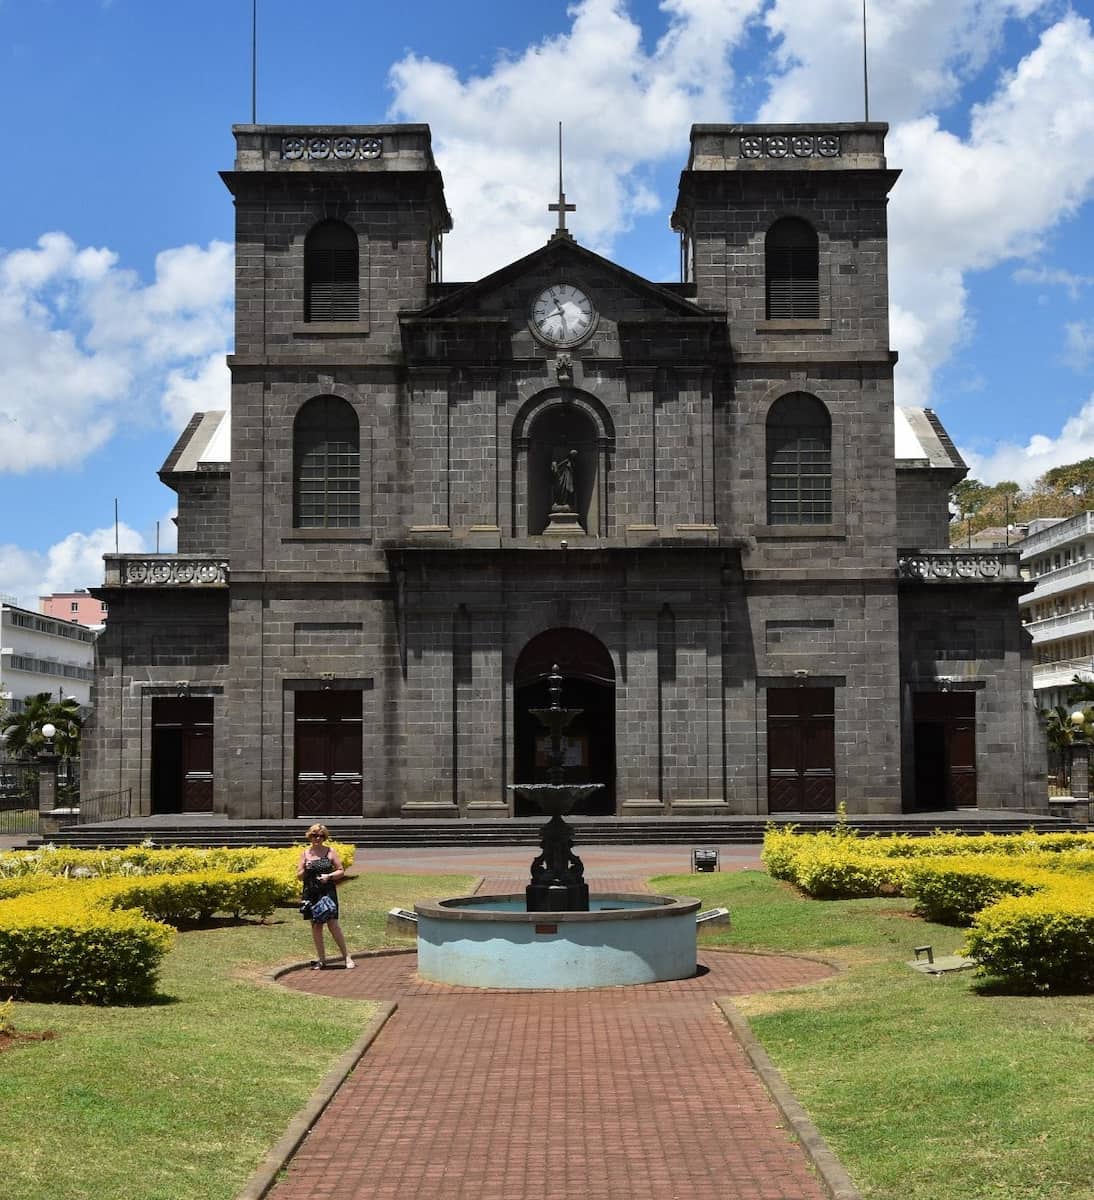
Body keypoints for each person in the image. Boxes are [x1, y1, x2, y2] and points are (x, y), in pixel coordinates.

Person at [297, 823, 355, 970]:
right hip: (311, 893)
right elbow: (299, 876)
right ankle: (322, 960)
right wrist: (305, 867)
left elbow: (340, 871)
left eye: (321, 836)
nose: (317, 838)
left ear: (324, 837)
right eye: (314, 835)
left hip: (327, 891)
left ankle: (347, 957)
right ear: (309, 836)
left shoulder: (330, 851)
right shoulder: (305, 853)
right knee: (316, 926)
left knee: (333, 924)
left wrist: (328, 876)